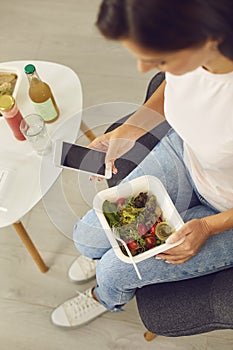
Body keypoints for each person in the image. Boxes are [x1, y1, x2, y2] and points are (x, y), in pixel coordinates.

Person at [51, 0, 233, 328]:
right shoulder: (198, 54)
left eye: (158, 59)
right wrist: (131, 129)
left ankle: (106, 296)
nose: (141, 68)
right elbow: (175, 87)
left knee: (112, 272)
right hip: (186, 157)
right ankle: (103, 254)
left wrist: (210, 226)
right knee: (88, 238)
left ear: (209, 39)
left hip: (225, 211)